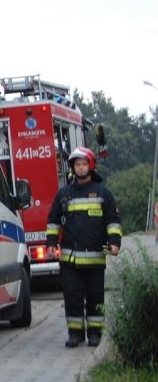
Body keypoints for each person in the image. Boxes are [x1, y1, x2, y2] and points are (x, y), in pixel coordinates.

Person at [46, 147, 122, 348]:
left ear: (91, 165)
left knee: (96, 298)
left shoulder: (103, 193)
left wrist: (115, 243)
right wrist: (51, 244)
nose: (80, 168)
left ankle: (95, 334)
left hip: (96, 258)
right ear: (72, 168)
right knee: (72, 298)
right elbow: (53, 221)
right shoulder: (64, 194)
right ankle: (75, 334)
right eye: (77, 165)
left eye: (83, 164)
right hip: (70, 261)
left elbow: (113, 221)